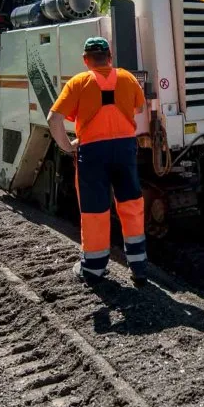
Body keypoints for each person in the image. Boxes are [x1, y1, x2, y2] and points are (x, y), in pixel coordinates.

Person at [48, 37, 149, 284]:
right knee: (131, 205)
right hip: (125, 150)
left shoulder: (79, 82)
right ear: (110, 57)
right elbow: (138, 108)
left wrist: (67, 146)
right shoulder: (127, 78)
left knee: (95, 210)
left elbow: (54, 119)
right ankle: (139, 268)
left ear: (86, 60)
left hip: (93, 153)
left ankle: (94, 270)